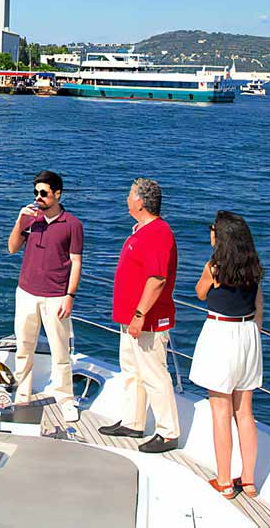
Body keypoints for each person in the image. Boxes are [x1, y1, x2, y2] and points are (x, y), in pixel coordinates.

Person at [98, 178, 181, 453]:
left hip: (147, 319)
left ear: (140, 202)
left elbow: (157, 278)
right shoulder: (142, 231)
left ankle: (168, 432)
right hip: (131, 318)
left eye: (130, 195)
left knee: (153, 373)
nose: (126, 200)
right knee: (132, 370)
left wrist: (139, 314)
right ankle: (134, 422)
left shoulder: (158, 232)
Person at [189, 211, 266, 498]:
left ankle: (224, 481)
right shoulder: (254, 267)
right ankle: (248, 481)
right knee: (245, 412)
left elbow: (199, 293)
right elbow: (259, 306)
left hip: (222, 335)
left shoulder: (215, 266)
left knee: (220, 412)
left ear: (220, 236)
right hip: (248, 335)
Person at [6, 170, 84, 421]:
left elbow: (76, 261)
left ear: (57, 194)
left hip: (56, 296)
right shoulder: (31, 219)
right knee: (24, 346)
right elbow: (12, 248)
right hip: (26, 292)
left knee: (60, 350)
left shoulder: (72, 225)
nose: (38, 198)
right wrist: (19, 220)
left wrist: (69, 295)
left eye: (44, 193)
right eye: (36, 192)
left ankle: (65, 398)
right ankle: (23, 392)